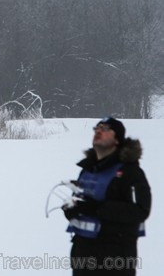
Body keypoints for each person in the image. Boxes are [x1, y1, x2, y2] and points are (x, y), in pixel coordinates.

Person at [63, 117, 151, 275]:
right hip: (82, 259)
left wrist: (97, 209)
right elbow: (82, 206)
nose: (98, 131)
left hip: (115, 262)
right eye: (96, 128)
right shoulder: (87, 170)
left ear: (117, 139)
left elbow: (140, 211)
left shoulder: (130, 173)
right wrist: (72, 210)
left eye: (105, 129)